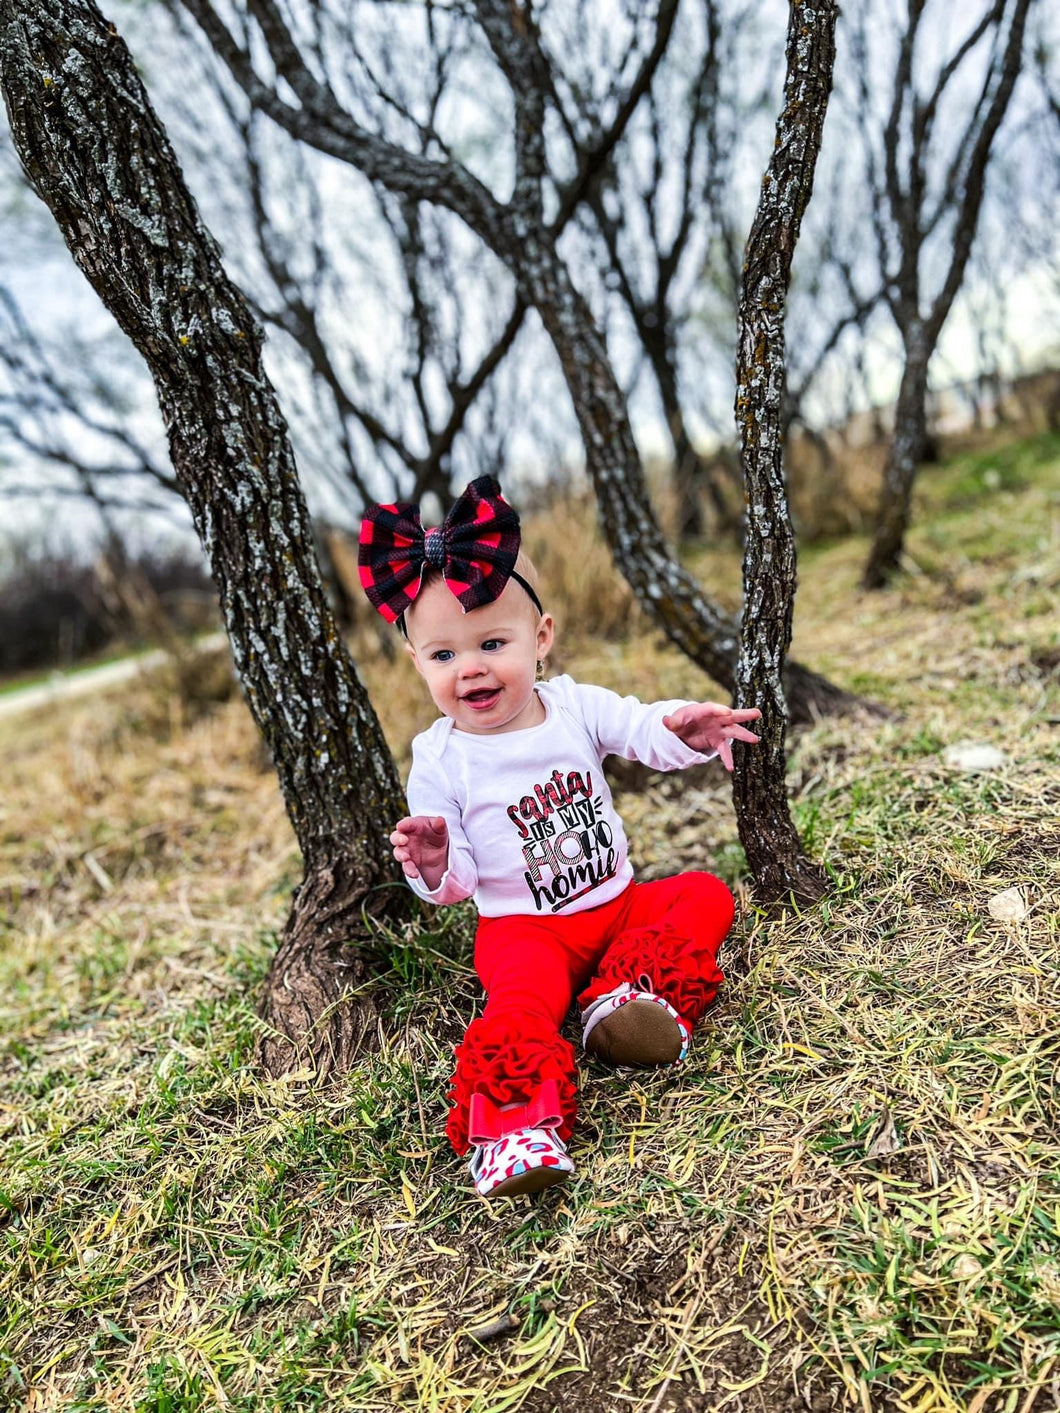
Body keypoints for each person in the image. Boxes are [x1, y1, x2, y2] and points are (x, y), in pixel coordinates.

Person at [359, 477, 760, 1198]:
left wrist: (683, 727)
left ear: (539, 639)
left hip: (618, 907)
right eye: (444, 655)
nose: (471, 667)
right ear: (418, 663)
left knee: (703, 892)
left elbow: (640, 726)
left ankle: (625, 998)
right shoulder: (440, 756)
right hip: (524, 934)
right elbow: (456, 882)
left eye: (491, 642)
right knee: (519, 1009)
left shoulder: (574, 704)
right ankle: (514, 1129)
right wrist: (435, 859)